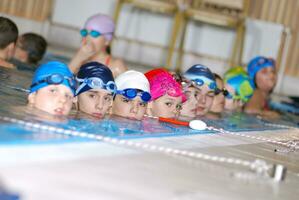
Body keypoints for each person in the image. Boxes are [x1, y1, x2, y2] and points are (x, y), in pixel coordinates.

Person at [69, 13, 127, 77]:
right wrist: (78, 59)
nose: (88, 37)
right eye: (85, 32)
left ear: (107, 41)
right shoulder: (79, 62)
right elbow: (60, 83)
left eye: (94, 34)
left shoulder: (116, 67)